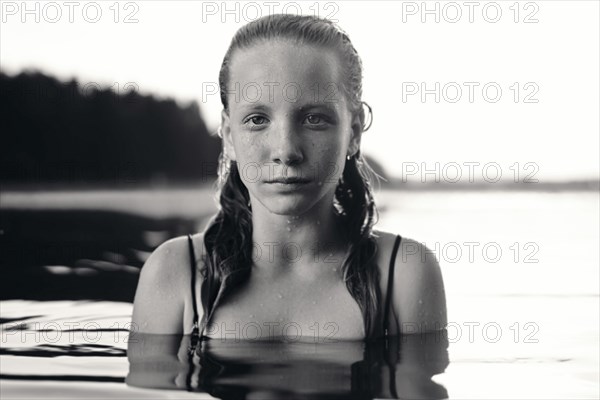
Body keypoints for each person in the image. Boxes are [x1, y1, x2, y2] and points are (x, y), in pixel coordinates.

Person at [131, 14, 446, 342]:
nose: (286, 150)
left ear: (353, 132)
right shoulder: (174, 272)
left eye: (313, 119)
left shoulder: (403, 274)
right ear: (228, 135)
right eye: (257, 119)